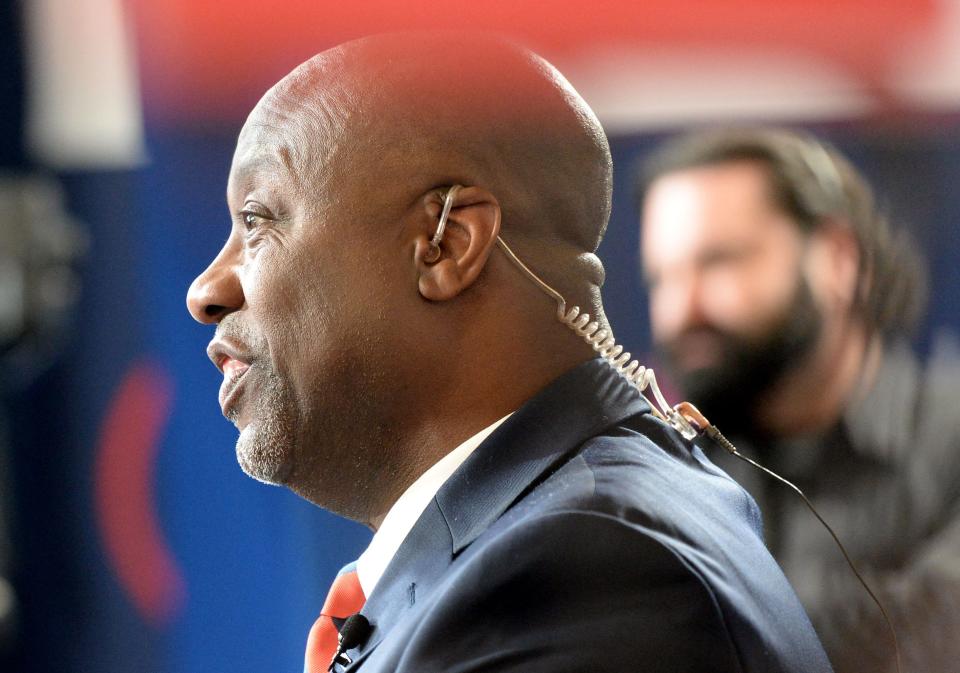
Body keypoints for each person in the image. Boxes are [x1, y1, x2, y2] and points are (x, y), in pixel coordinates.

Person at [186, 35, 832, 672]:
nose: (206, 290)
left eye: (258, 219)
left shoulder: (580, 575)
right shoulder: (551, 542)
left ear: (446, 244)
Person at [638, 127, 960, 673]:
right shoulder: (667, 465)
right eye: (662, 278)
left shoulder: (949, 440)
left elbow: (934, 638)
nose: (679, 310)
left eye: (719, 262)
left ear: (836, 258)